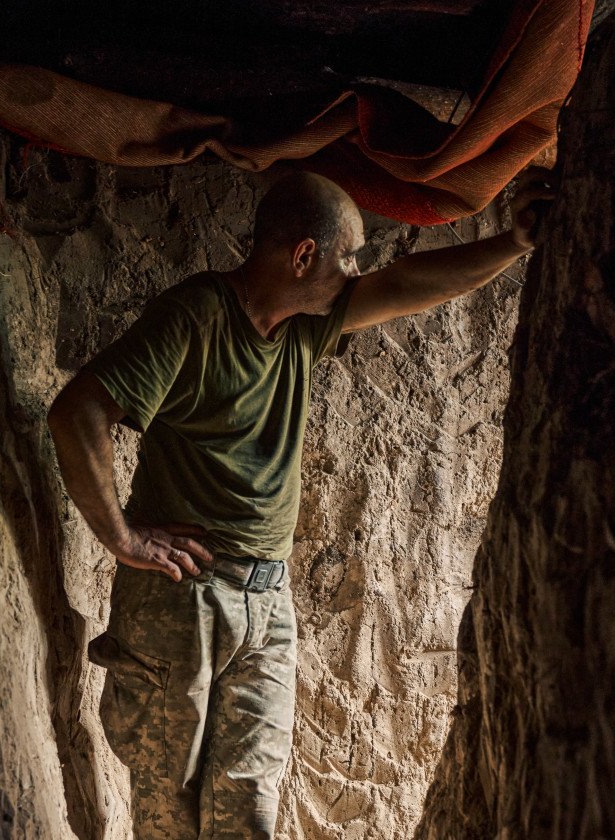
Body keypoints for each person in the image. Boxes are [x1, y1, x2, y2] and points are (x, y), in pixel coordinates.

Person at [47, 169, 553, 839]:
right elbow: (78, 410)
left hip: (269, 601)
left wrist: (514, 244)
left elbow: (404, 286)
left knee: (249, 817)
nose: (356, 270)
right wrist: (124, 539)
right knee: (167, 815)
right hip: (184, 598)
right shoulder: (196, 315)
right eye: (349, 255)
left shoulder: (303, 327)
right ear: (304, 255)